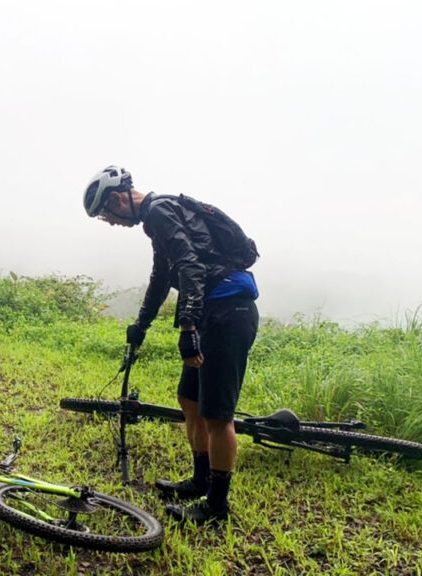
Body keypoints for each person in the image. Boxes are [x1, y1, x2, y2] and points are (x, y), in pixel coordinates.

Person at [83, 165, 259, 524]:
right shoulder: (155, 219)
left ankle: (216, 507)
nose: (111, 223)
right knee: (189, 400)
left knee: (217, 415)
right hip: (213, 312)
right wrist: (141, 324)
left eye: (107, 215)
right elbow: (163, 276)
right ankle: (201, 479)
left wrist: (188, 327)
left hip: (229, 314)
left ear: (118, 199)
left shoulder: (160, 211)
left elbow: (191, 268)